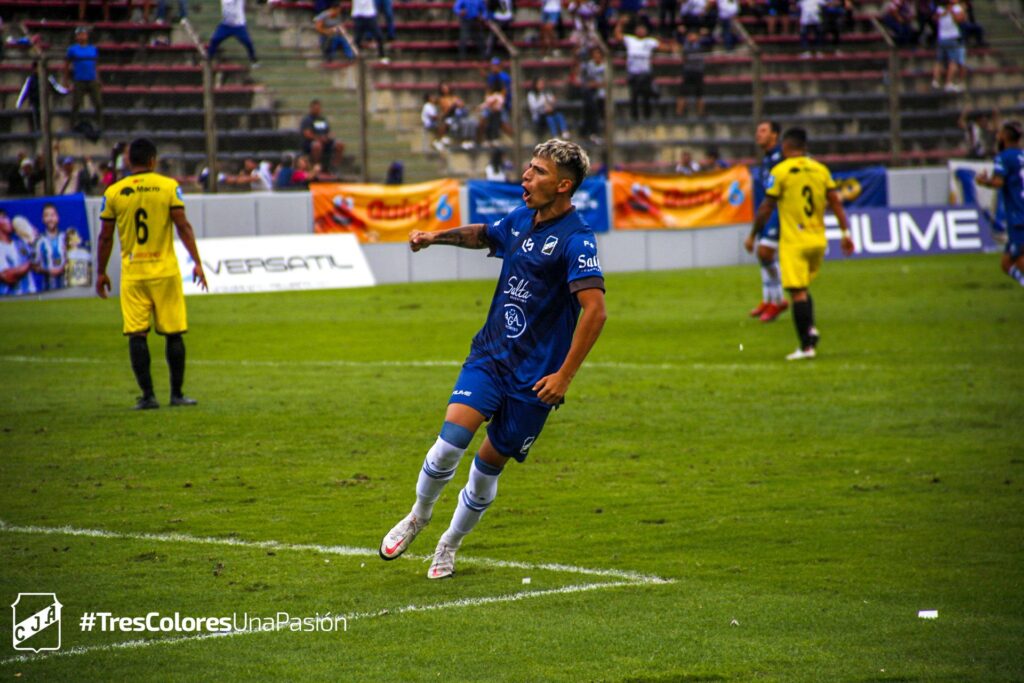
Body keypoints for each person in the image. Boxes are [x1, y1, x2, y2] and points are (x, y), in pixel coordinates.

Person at [379, 139, 606, 579]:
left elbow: (595, 311)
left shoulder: (577, 241)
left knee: (486, 468)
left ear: (562, 185)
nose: (526, 176)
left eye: (537, 171)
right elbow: (485, 234)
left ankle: (449, 543)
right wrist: (434, 237)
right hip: (491, 356)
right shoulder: (522, 219)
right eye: (528, 168)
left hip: (536, 379)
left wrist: (564, 375)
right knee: (449, 444)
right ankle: (418, 516)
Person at [95, 138, 208, 409]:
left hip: (133, 274)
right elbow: (183, 226)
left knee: (136, 334)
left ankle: (148, 396)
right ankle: (177, 394)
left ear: (129, 161)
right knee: (174, 333)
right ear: (153, 160)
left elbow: (105, 237)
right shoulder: (168, 187)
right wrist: (197, 262)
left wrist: (100, 272)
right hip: (165, 271)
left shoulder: (113, 192)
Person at [750, 128, 853, 360]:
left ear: (785, 147)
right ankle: (812, 329)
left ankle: (806, 346)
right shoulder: (821, 170)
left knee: (797, 293)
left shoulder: (781, 170)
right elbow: (836, 203)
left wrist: (753, 233)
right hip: (818, 239)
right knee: (803, 288)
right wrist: (846, 233)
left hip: (794, 241)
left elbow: (767, 206)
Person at [744, 120, 788, 321]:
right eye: (757, 130)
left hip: (778, 213)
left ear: (775, 135)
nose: (758, 134)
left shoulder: (781, 157)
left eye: (763, 130)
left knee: (765, 252)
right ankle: (768, 299)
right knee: (762, 256)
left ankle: (779, 301)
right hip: (765, 214)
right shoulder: (767, 159)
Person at [975, 121, 1024, 288]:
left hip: (1019, 218)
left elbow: (998, 182)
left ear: (1006, 136)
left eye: (1000, 133)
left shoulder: (1003, 158)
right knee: (1007, 262)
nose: (997, 136)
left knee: (1013, 261)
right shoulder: (1022, 156)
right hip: (1019, 216)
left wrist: (984, 181)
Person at [617, 20, 663, 121]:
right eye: (639, 29)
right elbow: (618, 36)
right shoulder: (630, 40)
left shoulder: (650, 41)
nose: (641, 31)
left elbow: (663, 47)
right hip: (633, 73)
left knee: (646, 95)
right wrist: (620, 23)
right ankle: (635, 117)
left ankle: (647, 116)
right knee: (634, 95)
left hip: (645, 73)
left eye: (643, 29)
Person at [66, 26, 103, 132]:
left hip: (92, 79)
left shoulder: (93, 49)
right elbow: (67, 65)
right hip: (79, 79)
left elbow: (96, 65)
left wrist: (98, 78)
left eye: (84, 34)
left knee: (98, 103)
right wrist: (67, 80)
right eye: (79, 34)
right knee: (76, 103)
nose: (82, 36)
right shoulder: (72, 49)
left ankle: (99, 124)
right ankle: (73, 124)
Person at [208, 0, 260, 67]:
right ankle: (208, 59)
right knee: (215, 40)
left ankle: (253, 60)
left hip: (238, 25)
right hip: (225, 25)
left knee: (247, 42)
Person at [0, 209, 37, 296]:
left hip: (31, 294)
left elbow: (37, 266)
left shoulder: (21, 244)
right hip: (11, 299)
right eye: (3, 218)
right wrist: (30, 262)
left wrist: (35, 243)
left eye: (7, 217)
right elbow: (8, 277)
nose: (9, 221)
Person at [932, 0, 966, 92]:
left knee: (939, 61)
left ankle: (935, 81)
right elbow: (960, 19)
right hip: (950, 38)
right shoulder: (953, 8)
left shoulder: (941, 9)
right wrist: (949, 12)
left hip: (942, 38)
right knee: (952, 62)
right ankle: (948, 83)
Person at [300, 99, 344, 172]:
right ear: (311, 108)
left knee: (340, 144)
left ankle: (335, 166)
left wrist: (328, 137)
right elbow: (307, 134)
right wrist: (319, 138)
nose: (318, 110)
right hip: (310, 143)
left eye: (319, 108)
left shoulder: (322, 119)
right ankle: (316, 167)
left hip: (325, 141)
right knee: (317, 146)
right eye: (316, 108)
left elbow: (329, 132)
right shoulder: (307, 120)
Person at [675, 28, 705, 117]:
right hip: (687, 72)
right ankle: (679, 113)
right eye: (689, 36)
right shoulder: (686, 46)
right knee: (682, 93)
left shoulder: (700, 45)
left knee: (699, 94)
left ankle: (701, 113)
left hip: (698, 72)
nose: (691, 37)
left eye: (693, 35)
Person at [579, 47, 606, 142]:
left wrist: (596, 84)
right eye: (594, 54)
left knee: (594, 109)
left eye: (598, 54)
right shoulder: (589, 66)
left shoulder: (606, 66)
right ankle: (590, 133)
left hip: (603, 94)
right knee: (589, 108)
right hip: (591, 94)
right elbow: (586, 82)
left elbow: (607, 82)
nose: (596, 56)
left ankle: (591, 133)